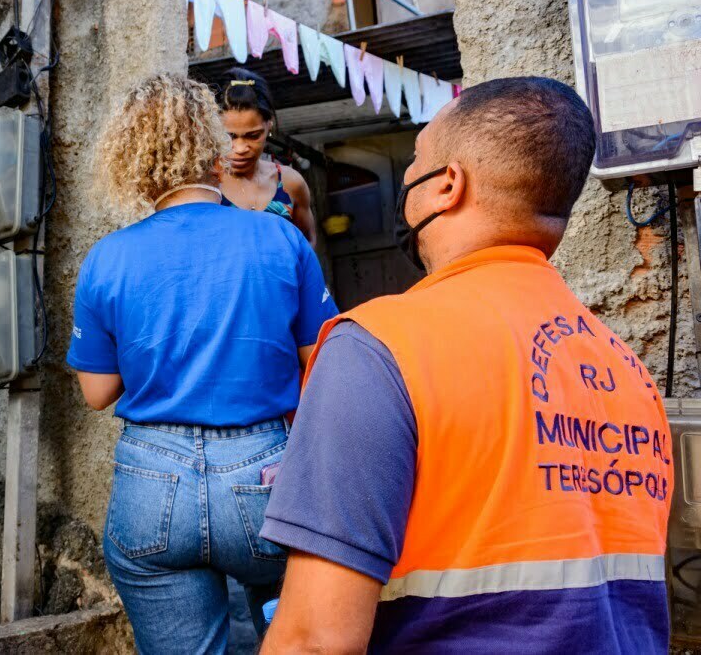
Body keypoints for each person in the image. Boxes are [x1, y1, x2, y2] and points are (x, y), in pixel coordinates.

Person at [259, 77, 673, 653]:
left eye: (416, 163)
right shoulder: (628, 371)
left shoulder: (380, 347)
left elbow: (315, 639)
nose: (407, 180)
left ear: (447, 185)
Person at [67, 74, 338, 654]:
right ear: (208, 142)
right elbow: (322, 362)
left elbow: (96, 391)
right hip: (267, 474)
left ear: (132, 158)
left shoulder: (106, 258)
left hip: (149, 482)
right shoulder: (280, 239)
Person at [218, 68, 316, 244]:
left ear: (269, 125)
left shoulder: (290, 183)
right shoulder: (205, 187)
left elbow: (307, 244)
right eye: (229, 136)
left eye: (253, 135)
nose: (240, 148)